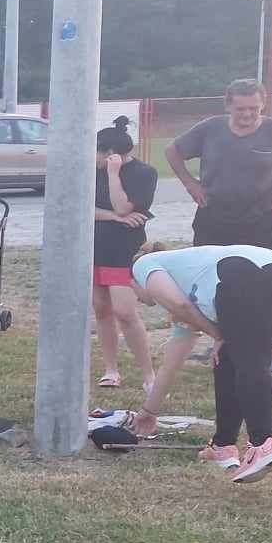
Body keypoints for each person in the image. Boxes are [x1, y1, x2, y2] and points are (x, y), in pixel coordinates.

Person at [133, 245, 272, 482]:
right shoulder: (191, 289)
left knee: (249, 362)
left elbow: (180, 305)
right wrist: (149, 412)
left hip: (246, 273)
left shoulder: (143, 264)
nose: (137, 298)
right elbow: (170, 365)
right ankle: (222, 446)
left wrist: (217, 334)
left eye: (133, 289)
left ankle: (264, 444)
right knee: (229, 357)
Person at [169, 79, 272, 249]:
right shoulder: (210, 128)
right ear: (228, 106)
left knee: (258, 266)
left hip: (263, 220)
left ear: (263, 104)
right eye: (240, 109)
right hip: (213, 217)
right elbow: (172, 151)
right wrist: (190, 183)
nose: (247, 114)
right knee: (210, 264)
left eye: (253, 108)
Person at [90, 117, 157, 394]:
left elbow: (122, 206)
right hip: (95, 246)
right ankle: (111, 370)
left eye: (97, 151)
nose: (93, 157)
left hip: (124, 249)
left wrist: (113, 174)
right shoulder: (90, 171)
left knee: (125, 312)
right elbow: (82, 208)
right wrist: (114, 218)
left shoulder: (145, 173)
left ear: (111, 154)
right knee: (101, 309)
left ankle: (149, 375)